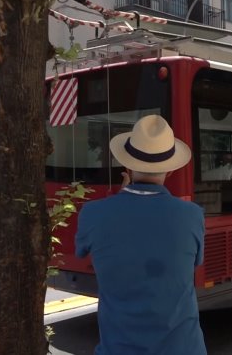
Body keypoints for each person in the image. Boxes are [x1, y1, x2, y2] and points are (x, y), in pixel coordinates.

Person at [75, 114, 206, 355]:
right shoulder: (192, 215)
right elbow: (193, 263)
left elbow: (83, 250)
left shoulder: (93, 213)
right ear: (170, 170)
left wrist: (119, 201)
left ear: (127, 166)